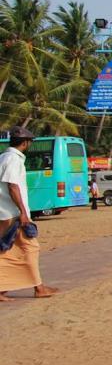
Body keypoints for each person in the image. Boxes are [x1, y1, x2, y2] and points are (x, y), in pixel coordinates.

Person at [0, 127, 57, 299]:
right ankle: (39, 289)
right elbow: (12, 186)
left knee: (9, 250)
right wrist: (23, 213)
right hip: (12, 213)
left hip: (5, 212)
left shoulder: (3, 157)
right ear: (25, 143)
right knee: (30, 248)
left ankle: (4, 289)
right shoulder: (13, 160)